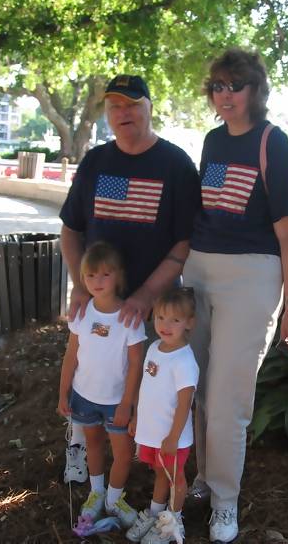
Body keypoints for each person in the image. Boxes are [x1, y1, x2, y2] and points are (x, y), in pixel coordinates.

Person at [183, 47, 288, 542]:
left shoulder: (273, 143)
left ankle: (225, 501)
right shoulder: (212, 141)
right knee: (191, 386)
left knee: (228, 397)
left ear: (255, 89)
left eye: (234, 85)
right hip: (199, 270)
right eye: (217, 86)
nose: (224, 95)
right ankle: (200, 482)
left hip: (253, 276)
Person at [59, 74, 201, 483]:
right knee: (90, 375)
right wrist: (79, 283)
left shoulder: (175, 165)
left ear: (149, 108)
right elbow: (71, 229)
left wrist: (145, 295)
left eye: (132, 104)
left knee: (145, 390)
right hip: (100, 305)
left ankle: (148, 471)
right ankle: (80, 450)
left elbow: (184, 243)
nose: (123, 113)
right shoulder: (96, 162)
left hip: (154, 311)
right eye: (114, 106)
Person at [57, 241, 146, 527]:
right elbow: (71, 356)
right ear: (82, 278)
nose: (97, 281)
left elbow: (135, 365)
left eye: (105, 274)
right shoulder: (82, 313)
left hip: (116, 401)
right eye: (90, 276)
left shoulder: (130, 318)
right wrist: (63, 395)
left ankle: (114, 499)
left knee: (122, 452)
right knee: (93, 445)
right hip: (83, 397)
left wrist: (128, 403)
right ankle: (96, 494)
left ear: (118, 276)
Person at [126, 288, 199, 543]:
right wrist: (137, 418)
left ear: (189, 323)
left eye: (175, 320)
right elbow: (147, 390)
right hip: (153, 432)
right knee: (160, 474)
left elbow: (184, 403)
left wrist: (173, 437)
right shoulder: (155, 347)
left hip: (172, 437)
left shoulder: (184, 361)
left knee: (175, 479)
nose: (165, 326)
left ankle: (174, 521)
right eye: (160, 318)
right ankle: (157, 515)